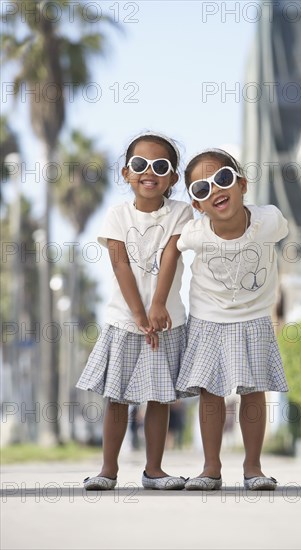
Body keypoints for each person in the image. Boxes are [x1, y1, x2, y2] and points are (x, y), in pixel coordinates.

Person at [76, 131, 193, 490]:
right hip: (124, 321)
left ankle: (154, 470)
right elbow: (120, 265)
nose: (149, 172)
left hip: (166, 321)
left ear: (173, 177)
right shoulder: (116, 215)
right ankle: (107, 470)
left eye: (161, 166)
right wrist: (140, 316)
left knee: (158, 398)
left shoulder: (180, 212)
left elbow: (171, 256)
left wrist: (157, 307)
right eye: (140, 165)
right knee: (117, 398)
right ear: (126, 173)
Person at [176, 148, 289, 491]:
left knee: (253, 391)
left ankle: (253, 468)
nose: (215, 190)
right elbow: (168, 251)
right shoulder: (194, 233)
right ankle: (211, 468)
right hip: (208, 317)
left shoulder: (269, 220)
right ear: (197, 205)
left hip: (254, 315)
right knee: (210, 392)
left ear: (241, 184)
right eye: (202, 189)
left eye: (222, 179)